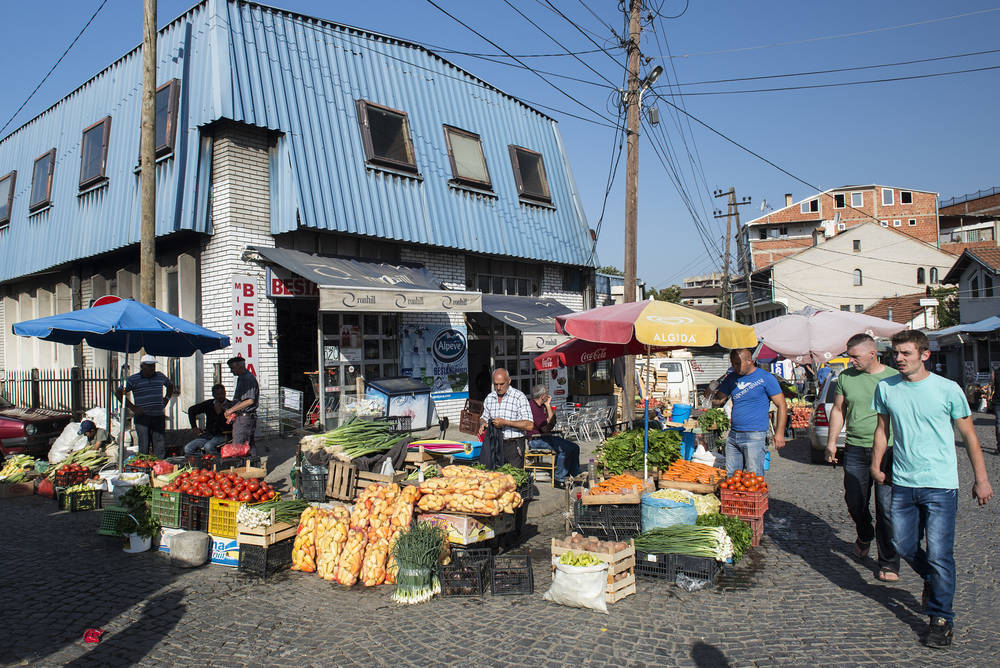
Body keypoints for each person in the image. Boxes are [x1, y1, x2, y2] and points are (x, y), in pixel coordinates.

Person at [871, 329, 993, 649]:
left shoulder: (947, 389)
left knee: (940, 554)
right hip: (903, 482)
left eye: (906, 353)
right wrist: (876, 462)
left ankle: (941, 619)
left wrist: (981, 479)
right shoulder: (886, 388)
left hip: (940, 484)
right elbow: (883, 429)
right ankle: (934, 580)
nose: (898, 359)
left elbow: (969, 437)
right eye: (896, 353)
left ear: (925, 355)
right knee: (901, 544)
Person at [824, 333, 900, 582]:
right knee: (855, 501)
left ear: (872, 353)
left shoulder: (893, 377)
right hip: (856, 447)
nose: (851, 360)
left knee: (887, 509)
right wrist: (832, 442)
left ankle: (888, 562)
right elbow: (838, 409)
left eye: (855, 356)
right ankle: (865, 533)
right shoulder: (846, 377)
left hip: (889, 449)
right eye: (848, 355)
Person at [712, 348, 787, 476]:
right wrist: (712, 388)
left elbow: (782, 405)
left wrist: (779, 433)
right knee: (732, 476)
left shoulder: (765, 378)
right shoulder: (731, 378)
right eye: (733, 363)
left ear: (750, 361)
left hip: (755, 435)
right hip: (734, 435)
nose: (735, 367)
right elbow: (717, 402)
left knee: (754, 476)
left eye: (737, 363)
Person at [116, 354, 174, 458]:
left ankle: (159, 464)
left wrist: (166, 399)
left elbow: (170, 385)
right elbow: (119, 392)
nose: (152, 368)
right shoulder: (133, 379)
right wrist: (132, 407)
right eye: (149, 366)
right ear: (142, 366)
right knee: (144, 444)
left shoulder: (160, 376)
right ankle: (144, 466)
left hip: (158, 416)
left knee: (159, 443)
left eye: (153, 365)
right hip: (142, 417)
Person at [526, 384, 581, 488]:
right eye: (547, 393)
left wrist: (548, 406)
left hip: (546, 436)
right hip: (536, 439)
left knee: (575, 447)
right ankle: (559, 478)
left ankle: (574, 475)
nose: (548, 395)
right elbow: (546, 427)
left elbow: (552, 421)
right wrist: (548, 410)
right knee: (564, 449)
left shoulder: (542, 406)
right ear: (542, 396)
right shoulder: (533, 407)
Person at [477, 368, 533, 467]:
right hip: (495, 445)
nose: (498, 387)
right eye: (495, 384)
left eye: (501, 384)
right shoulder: (490, 398)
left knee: (514, 479)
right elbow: (483, 417)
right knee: (495, 478)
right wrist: (483, 424)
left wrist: (506, 423)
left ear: (509, 381)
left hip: (513, 445)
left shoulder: (519, 397)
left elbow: (529, 425)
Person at [183, 383, 232, 456]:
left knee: (208, 447)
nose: (220, 396)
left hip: (223, 435)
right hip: (209, 434)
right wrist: (194, 427)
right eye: (217, 394)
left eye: (222, 393)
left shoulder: (230, 405)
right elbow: (191, 410)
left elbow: (229, 424)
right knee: (188, 448)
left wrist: (220, 413)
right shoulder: (209, 404)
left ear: (225, 393)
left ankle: (218, 461)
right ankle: (204, 460)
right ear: (213, 395)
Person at [224, 356, 259, 457]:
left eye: (232, 368)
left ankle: (243, 468)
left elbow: (249, 400)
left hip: (245, 418)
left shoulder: (247, 379)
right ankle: (252, 467)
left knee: (239, 446)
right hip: (244, 417)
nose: (231, 371)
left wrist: (231, 410)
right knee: (248, 445)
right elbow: (242, 400)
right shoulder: (242, 378)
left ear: (240, 366)